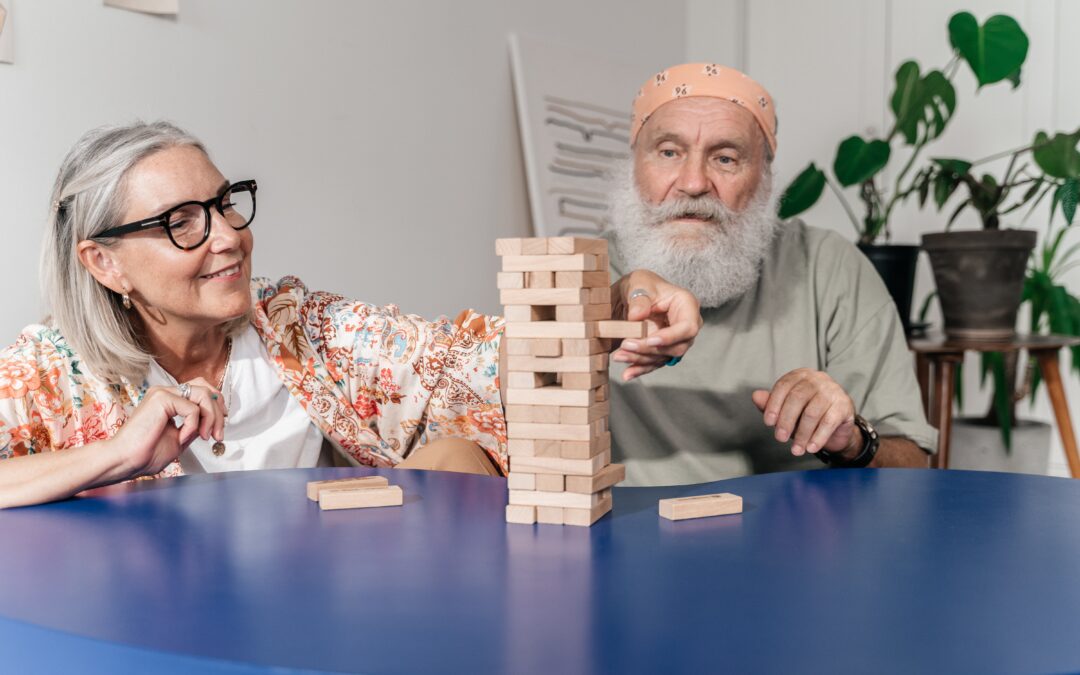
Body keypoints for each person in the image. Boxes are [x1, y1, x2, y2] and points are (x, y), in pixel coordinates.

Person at [0, 121, 701, 507]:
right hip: (148, 629)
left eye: (224, 203)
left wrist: (611, 304)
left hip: (319, 605)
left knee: (457, 457)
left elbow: (467, 360)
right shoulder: (50, 371)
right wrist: (114, 455)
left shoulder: (301, 328)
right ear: (103, 263)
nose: (228, 236)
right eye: (182, 221)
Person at [605, 63, 937, 485]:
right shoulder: (582, 271)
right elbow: (500, 421)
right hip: (624, 538)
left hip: (793, 538)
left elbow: (913, 465)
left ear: (765, 178)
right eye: (669, 152)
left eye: (725, 158)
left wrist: (852, 440)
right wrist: (600, 311)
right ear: (634, 166)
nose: (692, 183)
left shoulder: (829, 266)